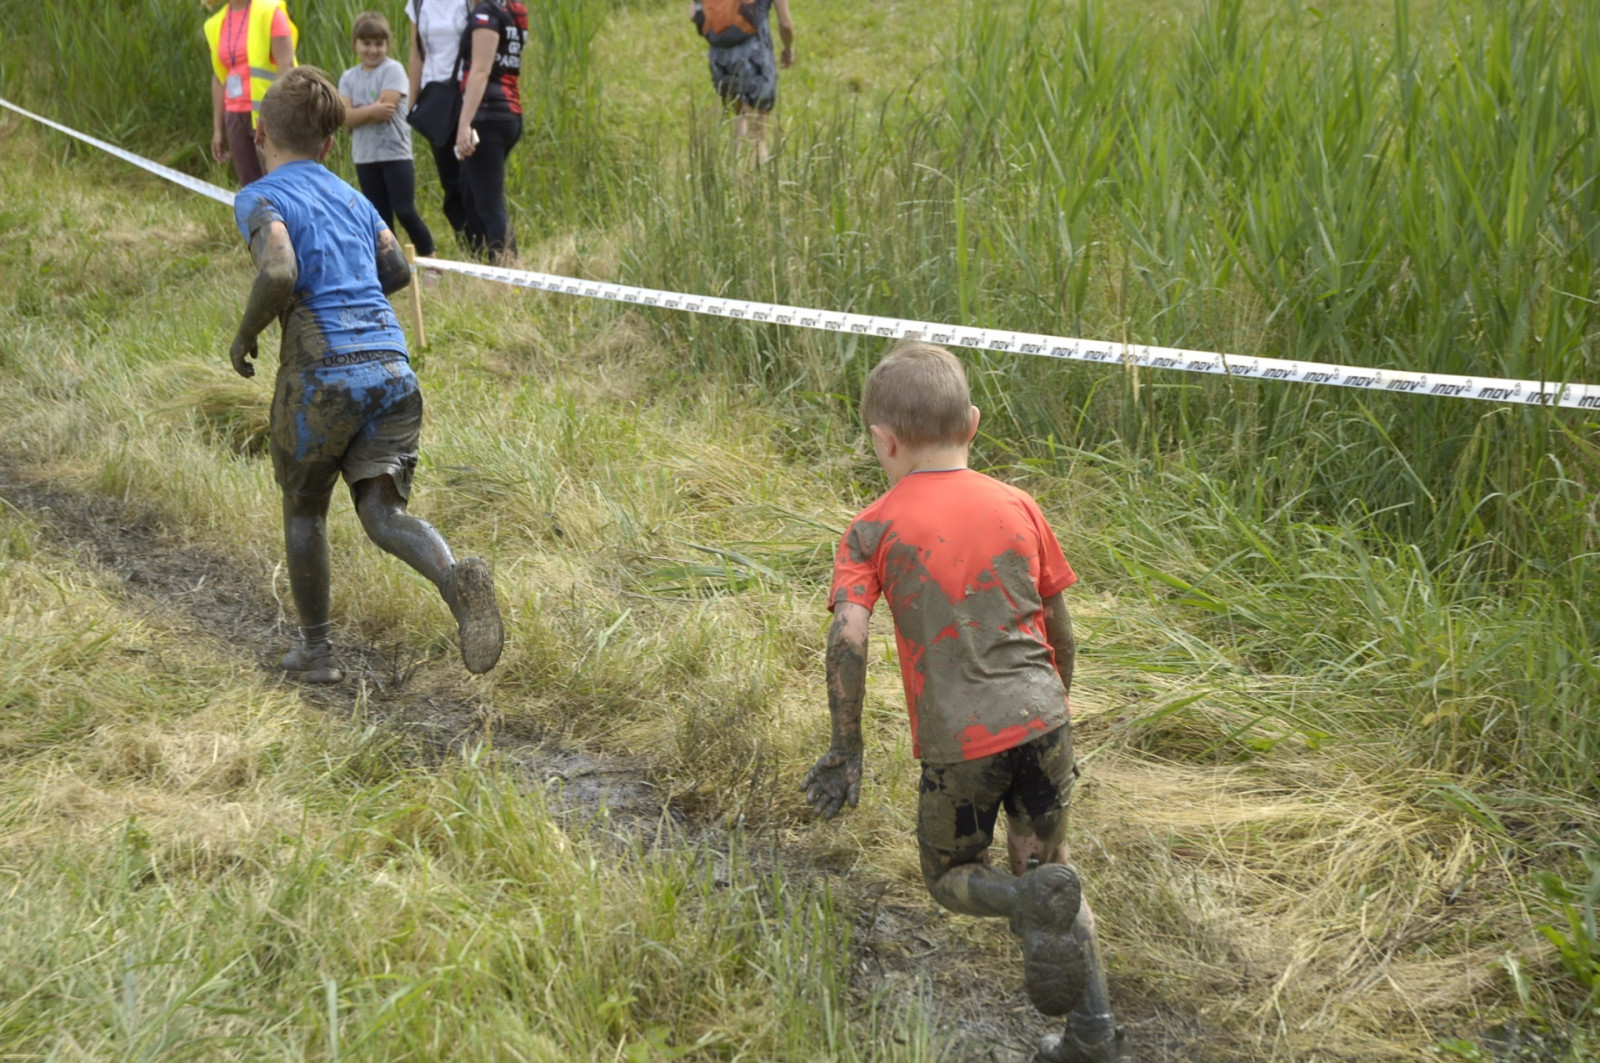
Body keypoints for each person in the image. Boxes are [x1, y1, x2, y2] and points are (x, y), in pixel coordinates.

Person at [801, 343, 1126, 1063]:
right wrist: (1053, 709)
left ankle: (1019, 902)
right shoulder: (1018, 504)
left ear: (884, 441)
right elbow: (1061, 627)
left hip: (963, 743)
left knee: (951, 876)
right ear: (973, 423)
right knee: (1050, 869)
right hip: (1044, 720)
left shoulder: (872, 526)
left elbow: (848, 636)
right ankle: (1093, 1034)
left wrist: (847, 745)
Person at [229, 66, 504, 683]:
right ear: (330, 143)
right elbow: (396, 270)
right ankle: (454, 580)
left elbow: (278, 270)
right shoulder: (356, 199)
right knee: (383, 515)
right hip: (391, 370)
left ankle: (317, 653)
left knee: (306, 511)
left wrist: (246, 334)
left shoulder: (261, 196)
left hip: (322, 376)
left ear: (260, 133)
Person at [339, 12, 436, 261]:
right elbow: (343, 117)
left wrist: (356, 114)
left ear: (387, 44)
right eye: (366, 43)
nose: (373, 50)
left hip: (396, 154)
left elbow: (386, 111)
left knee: (405, 211)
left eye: (379, 43)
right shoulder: (348, 78)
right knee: (379, 218)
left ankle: (431, 260)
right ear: (355, 44)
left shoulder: (394, 70)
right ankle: (393, 268)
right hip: (365, 157)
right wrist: (367, 111)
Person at [454, 0, 529, 264]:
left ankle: (508, 272)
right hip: (509, 113)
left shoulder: (486, 11)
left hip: (487, 115)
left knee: (489, 205)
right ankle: (484, 267)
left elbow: (481, 70)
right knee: (471, 195)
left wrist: (464, 123)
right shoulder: (516, 8)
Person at [205, 0, 298, 186]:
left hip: (268, 115)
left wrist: (278, 113)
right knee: (251, 186)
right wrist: (218, 129)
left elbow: (286, 66)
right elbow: (219, 78)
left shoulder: (269, 12)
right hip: (235, 115)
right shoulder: (215, 23)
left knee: (278, 183)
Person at [690, 0, 794, 163]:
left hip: (720, 58)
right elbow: (786, 25)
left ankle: (734, 173)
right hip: (754, 57)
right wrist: (788, 50)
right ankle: (754, 177)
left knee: (742, 117)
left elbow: (694, 14)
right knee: (757, 134)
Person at [405, 0, 471, 243]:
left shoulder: (469, 3)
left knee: (472, 178)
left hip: (467, 95)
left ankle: (487, 244)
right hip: (435, 99)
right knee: (450, 181)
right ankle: (468, 245)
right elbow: (416, 53)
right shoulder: (418, 3)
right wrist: (413, 101)